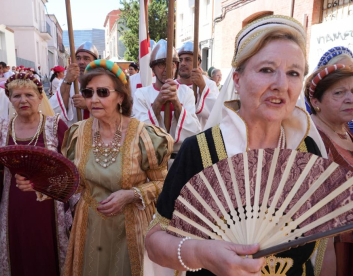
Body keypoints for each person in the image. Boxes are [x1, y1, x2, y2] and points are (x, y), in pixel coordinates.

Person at [145, 15, 334, 276]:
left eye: (293, 73)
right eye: (267, 69)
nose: (281, 85)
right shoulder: (200, 151)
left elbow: (321, 247)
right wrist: (200, 252)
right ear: (236, 79)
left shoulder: (308, 152)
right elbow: (155, 242)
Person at [18, 59, 173, 276]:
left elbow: (164, 183)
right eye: (88, 93)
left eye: (102, 92)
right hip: (89, 226)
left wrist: (132, 194)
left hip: (132, 226)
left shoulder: (145, 136)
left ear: (120, 96)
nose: (94, 100)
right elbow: (71, 183)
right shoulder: (77, 134)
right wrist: (39, 184)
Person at [0, 72, 74, 276]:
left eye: (29, 95)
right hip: (12, 206)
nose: (23, 100)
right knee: (17, 251)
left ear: (40, 97)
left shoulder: (55, 126)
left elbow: (70, 169)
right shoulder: (0, 128)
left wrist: (43, 181)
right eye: (16, 96)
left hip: (49, 206)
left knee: (46, 252)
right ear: (9, 98)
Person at [305, 64, 353, 276]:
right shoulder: (311, 140)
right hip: (334, 247)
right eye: (339, 93)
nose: (350, 99)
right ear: (316, 102)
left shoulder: (345, 130)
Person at [133, 39, 201, 157]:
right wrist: (158, 102)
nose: (167, 69)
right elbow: (138, 131)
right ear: (153, 68)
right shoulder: (142, 94)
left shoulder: (186, 93)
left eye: (172, 64)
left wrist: (176, 103)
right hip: (152, 161)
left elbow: (194, 131)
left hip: (179, 160)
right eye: (161, 64)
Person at [49, 41, 99, 126]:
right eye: (78, 58)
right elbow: (56, 108)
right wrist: (67, 81)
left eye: (86, 58)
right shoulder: (67, 82)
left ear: (95, 62)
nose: (81, 62)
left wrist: (88, 105)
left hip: (98, 131)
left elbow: (113, 108)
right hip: (75, 132)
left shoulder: (103, 82)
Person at [177, 41, 219, 128]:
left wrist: (202, 87)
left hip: (202, 139)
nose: (182, 63)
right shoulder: (173, 86)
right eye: (180, 60)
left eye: (187, 59)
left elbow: (216, 114)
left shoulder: (210, 85)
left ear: (198, 62)